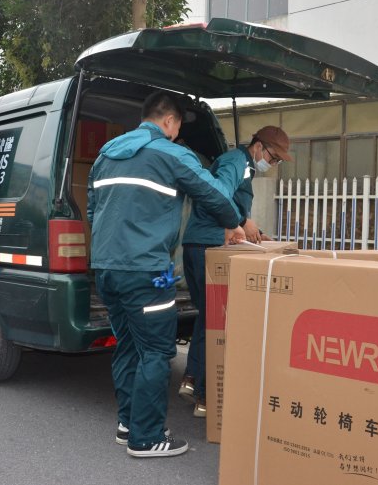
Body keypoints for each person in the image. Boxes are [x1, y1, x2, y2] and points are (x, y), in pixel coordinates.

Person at [87, 91, 246, 458]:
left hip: (107, 270)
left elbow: (94, 211)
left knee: (128, 345)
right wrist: (233, 221)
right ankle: (146, 437)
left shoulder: (106, 154)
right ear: (170, 121)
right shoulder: (171, 153)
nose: (176, 134)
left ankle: (128, 423)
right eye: (176, 128)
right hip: (146, 272)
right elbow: (216, 196)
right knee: (156, 351)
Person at [178, 125, 293, 417]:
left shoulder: (245, 167)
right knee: (217, 320)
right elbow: (217, 193)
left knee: (209, 317)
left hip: (200, 244)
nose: (273, 163)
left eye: (278, 161)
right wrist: (242, 220)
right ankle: (205, 393)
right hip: (208, 245)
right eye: (274, 157)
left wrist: (255, 230)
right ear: (258, 146)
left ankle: (193, 381)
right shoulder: (236, 162)